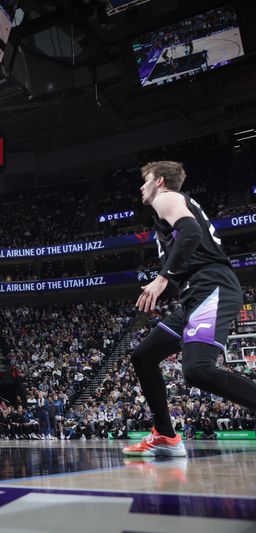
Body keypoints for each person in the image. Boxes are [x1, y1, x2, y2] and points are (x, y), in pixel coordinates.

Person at [123, 161, 256, 457]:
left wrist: (161, 279)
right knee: (144, 357)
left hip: (211, 287)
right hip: (194, 294)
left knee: (197, 370)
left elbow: (192, 232)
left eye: (145, 181)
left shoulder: (165, 197)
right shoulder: (172, 202)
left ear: (159, 181)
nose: (141, 187)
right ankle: (166, 436)